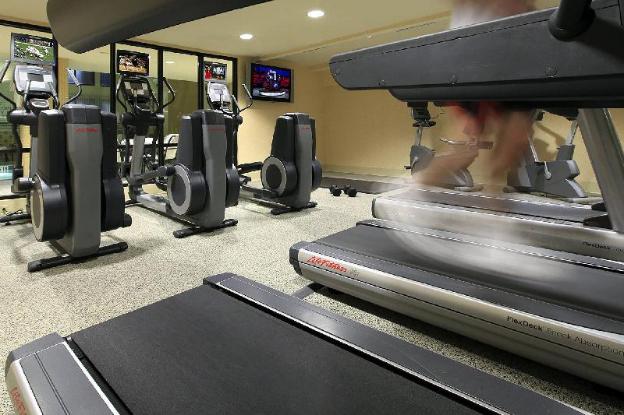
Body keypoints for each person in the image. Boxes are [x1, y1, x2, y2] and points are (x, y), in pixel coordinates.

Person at [414, 0, 537, 187]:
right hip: (469, 65)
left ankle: (493, 197)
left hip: (510, 63)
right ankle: (416, 185)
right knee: (466, 151)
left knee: (511, 142)